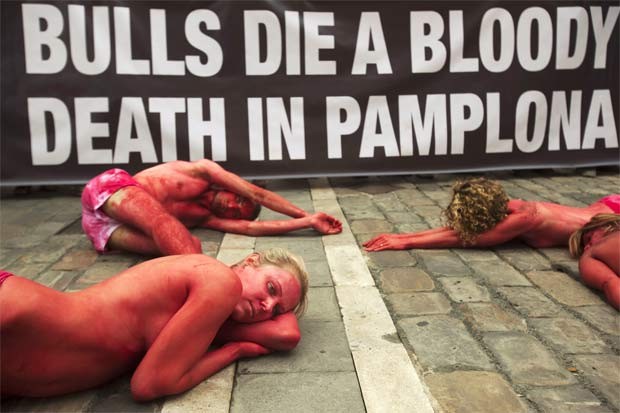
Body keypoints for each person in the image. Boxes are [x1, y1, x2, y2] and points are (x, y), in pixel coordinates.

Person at [1, 248, 307, 401]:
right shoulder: (219, 281)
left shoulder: (201, 308)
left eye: (277, 308)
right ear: (251, 261)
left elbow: (286, 333)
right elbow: (150, 385)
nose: (267, 307)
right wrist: (234, 351)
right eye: (270, 288)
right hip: (17, 312)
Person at [81, 160, 342, 256]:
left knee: (189, 246)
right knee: (164, 226)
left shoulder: (204, 217)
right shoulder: (204, 172)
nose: (231, 207)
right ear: (232, 190)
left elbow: (251, 228)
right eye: (237, 201)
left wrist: (307, 223)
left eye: (235, 212)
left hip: (101, 230)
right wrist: (305, 213)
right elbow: (256, 193)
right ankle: (208, 284)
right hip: (109, 191)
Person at [364, 177, 620, 251]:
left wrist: (406, 241)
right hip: (606, 206)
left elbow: (465, 238)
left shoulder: (524, 218)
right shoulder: (514, 208)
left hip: (608, 220)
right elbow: (465, 232)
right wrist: (404, 235)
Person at [569, 214, 620, 310]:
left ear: (604, 225)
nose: (586, 247)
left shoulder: (590, 254)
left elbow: (612, 284)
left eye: (589, 239)